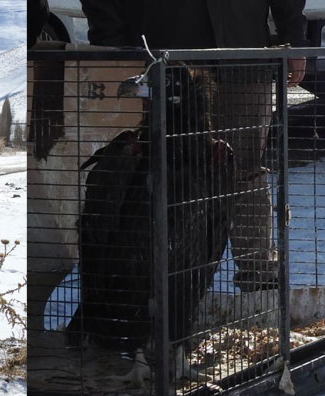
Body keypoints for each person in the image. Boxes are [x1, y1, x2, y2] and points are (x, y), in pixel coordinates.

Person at [79, 0, 308, 292]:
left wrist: (295, 40)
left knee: (246, 172)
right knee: (168, 177)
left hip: (244, 57)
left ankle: (261, 279)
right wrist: (114, 47)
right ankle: (164, 291)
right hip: (164, 60)